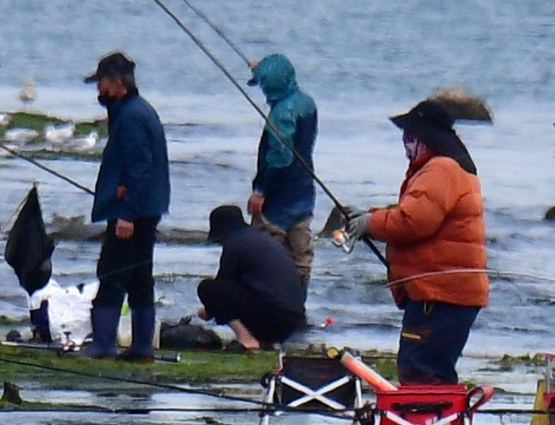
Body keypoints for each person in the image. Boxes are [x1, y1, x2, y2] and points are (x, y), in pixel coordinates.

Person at [342, 96, 488, 384]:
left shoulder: (440, 169)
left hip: (439, 294)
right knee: (432, 371)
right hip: (446, 293)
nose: (406, 141)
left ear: (426, 137)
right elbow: (417, 215)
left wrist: (370, 223)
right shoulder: (447, 168)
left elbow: (414, 221)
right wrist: (372, 218)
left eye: (411, 134)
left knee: (421, 372)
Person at [85, 51, 170, 361]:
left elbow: (140, 167)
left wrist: (127, 213)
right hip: (146, 208)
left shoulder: (131, 116)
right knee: (139, 278)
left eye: (102, 84)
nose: (99, 91)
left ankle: (104, 344)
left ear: (117, 84)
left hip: (133, 212)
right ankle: (142, 348)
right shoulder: (136, 110)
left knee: (111, 274)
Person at [248, 53, 318, 286]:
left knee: (264, 259)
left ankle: (269, 311)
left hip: (277, 201)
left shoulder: (280, 115)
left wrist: (261, 191)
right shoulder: (307, 103)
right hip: (304, 194)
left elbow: (280, 158)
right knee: (300, 260)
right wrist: (263, 69)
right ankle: (297, 307)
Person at [198, 204, 307, 349]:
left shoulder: (234, 244)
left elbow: (222, 286)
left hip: (273, 320)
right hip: (293, 323)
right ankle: (264, 341)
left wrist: (208, 310)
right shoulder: (263, 240)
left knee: (207, 288)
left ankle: (246, 340)